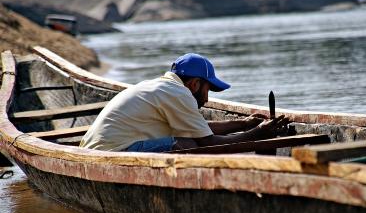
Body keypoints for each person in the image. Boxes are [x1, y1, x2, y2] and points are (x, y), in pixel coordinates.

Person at [79, 53, 289, 152]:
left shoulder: (165, 87)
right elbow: (206, 141)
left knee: (191, 138)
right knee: (186, 144)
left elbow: (199, 129)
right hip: (109, 152)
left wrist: (244, 124)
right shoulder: (178, 94)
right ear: (195, 84)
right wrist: (256, 134)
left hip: (94, 148)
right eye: (208, 90)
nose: (207, 100)